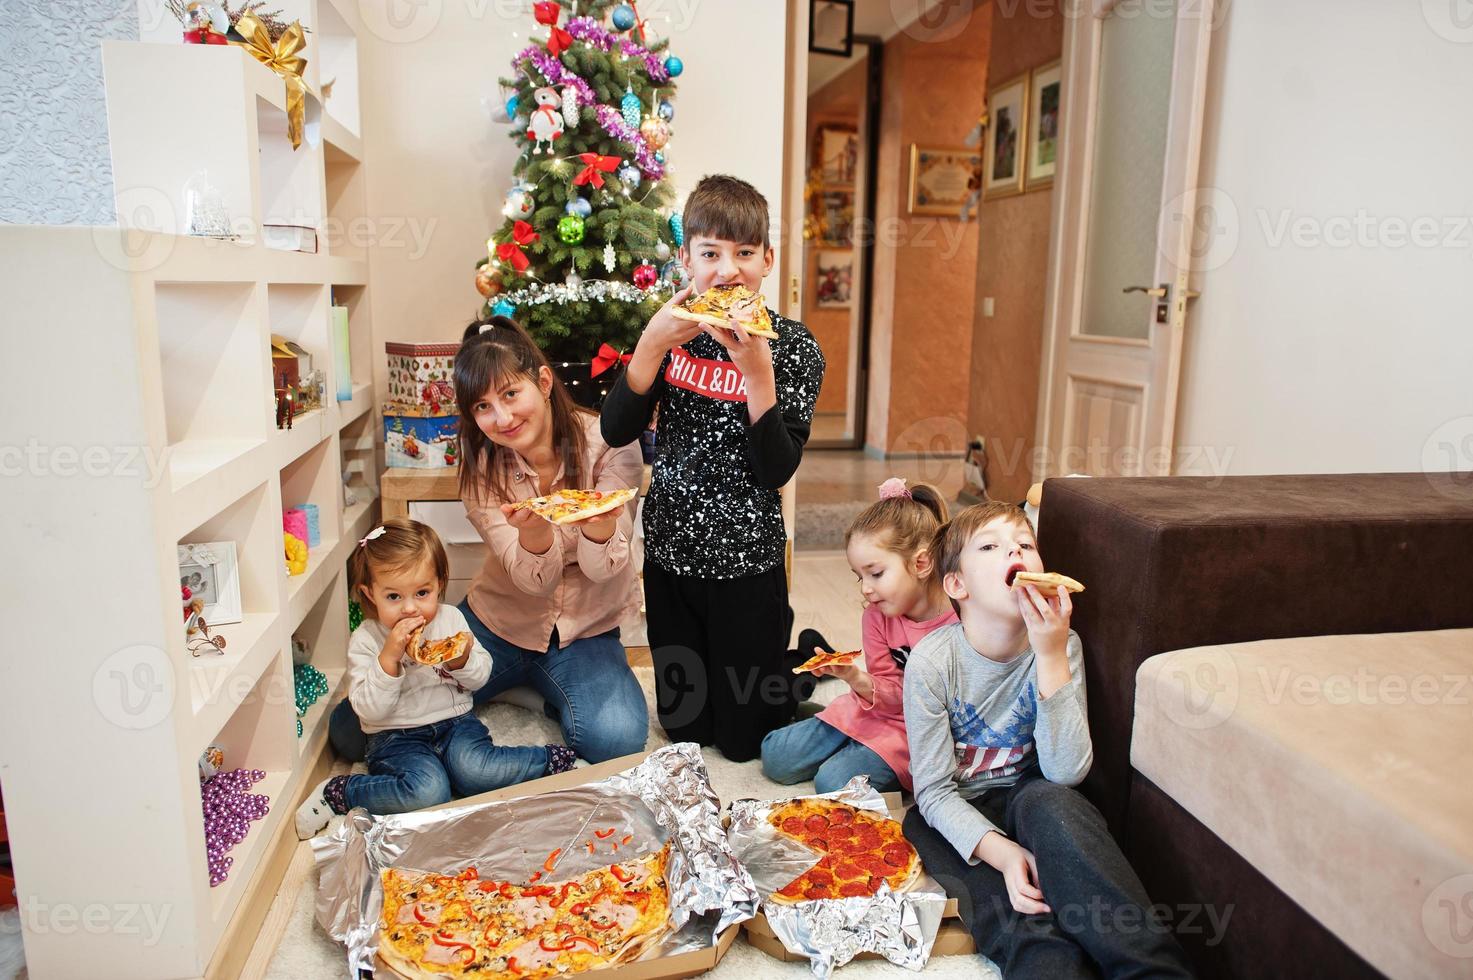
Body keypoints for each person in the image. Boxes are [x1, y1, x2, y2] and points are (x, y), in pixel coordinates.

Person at [328, 318, 648, 765]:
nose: (502, 419)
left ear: (542, 380)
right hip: (496, 623)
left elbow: (605, 568)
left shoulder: (609, 442)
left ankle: (532, 692)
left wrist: (597, 526)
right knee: (349, 732)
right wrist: (535, 534)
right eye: (482, 406)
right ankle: (516, 686)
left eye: (511, 394)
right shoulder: (481, 464)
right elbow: (533, 581)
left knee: (616, 740)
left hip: (586, 631)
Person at [902, 502, 1193, 978]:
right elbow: (933, 791)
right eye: (991, 546)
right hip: (957, 807)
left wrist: (1051, 654)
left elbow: (1066, 771)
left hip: (1034, 789)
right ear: (957, 585)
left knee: (1056, 809)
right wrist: (1004, 853)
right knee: (1026, 927)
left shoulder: (1062, 646)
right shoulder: (932, 664)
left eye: (1025, 544)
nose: (1014, 549)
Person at [601, 174, 826, 762]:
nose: (728, 270)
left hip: (748, 562)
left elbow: (776, 469)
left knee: (747, 742)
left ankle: (797, 660)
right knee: (686, 732)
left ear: (768, 260)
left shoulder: (795, 348)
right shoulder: (669, 335)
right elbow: (615, 431)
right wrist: (650, 346)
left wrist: (758, 374)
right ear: (686, 260)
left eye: (744, 253)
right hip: (673, 555)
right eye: (711, 254)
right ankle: (789, 658)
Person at [297, 518, 572, 839]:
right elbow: (369, 712)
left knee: (476, 771)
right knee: (430, 792)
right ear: (370, 593)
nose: (410, 609)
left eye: (422, 592)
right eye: (394, 597)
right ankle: (340, 792)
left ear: (440, 583)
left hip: (455, 723)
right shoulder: (367, 640)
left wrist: (461, 661)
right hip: (395, 736)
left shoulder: (451, 620)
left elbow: (480, 677)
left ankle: (552, 760)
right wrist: (389, 659)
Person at [761, 478, 956, 793]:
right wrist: (855, 678)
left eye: (876, 574)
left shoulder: (960, 623)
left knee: (833, 782)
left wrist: (860, 683)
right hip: (874, 707)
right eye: (859, 576)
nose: (866, 588)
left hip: (917, 732)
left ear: (921, 562)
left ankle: (844, 740)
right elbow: (885, 689)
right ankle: (827, 718)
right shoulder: (876, 616)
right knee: (775, 756)